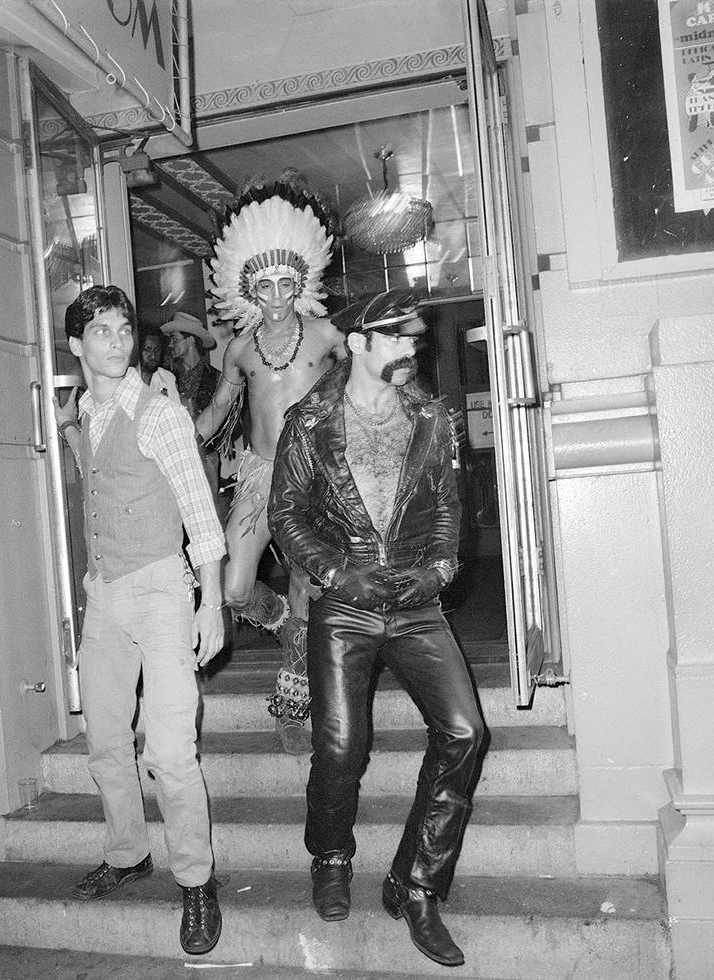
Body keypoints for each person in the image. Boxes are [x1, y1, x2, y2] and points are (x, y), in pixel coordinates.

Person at [267, 288, 486, 968]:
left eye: (413, 336)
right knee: (341, 742)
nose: (411, 345)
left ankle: (416, 884)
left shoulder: (433, 416)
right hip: (349, 596)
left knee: (466, 731)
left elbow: (451, 506)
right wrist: (338, 574)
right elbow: (285, 515)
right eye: (396, 335)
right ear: (358, 343)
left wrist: (441, 569)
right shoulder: (308, 422)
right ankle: (330, 855)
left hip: (417, 597)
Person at [54, 284, 225, 956]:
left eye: (124, 329)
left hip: (160, 591)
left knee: (171, 753)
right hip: (105, 595)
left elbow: (199, 513)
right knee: (103, 744)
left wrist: (210, 602)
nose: (118, 341)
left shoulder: (158, 414)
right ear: (77, 344)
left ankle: (197, 878)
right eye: (101, 330)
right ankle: (128, 854)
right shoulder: (80, 415)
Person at [196, 176, 347, 754]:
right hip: (260, 477)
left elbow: (368, 384)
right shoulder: (238, 349)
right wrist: (175, 438)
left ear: (303, 281)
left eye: (288, 282)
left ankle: (293, 706)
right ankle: (286, 623)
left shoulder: (328, 334)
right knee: (234, 589)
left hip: (315, 479)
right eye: (266, 286)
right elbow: (217, 409)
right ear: (248, 292)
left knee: (309, 587)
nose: (279, 296)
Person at [161, 311, 222, 506]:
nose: (170, 345)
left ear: (190, 341)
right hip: (175, 462)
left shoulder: (215, 379)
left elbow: (230, 425)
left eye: (174, 339)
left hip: (206, 460)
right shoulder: (168, 379)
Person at [138, 327, 179, 402]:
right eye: (148, 350)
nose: (153, 356)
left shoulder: (167, 379)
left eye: (157, 350)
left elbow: (177, 410)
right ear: (138, 351)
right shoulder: (125, 379)